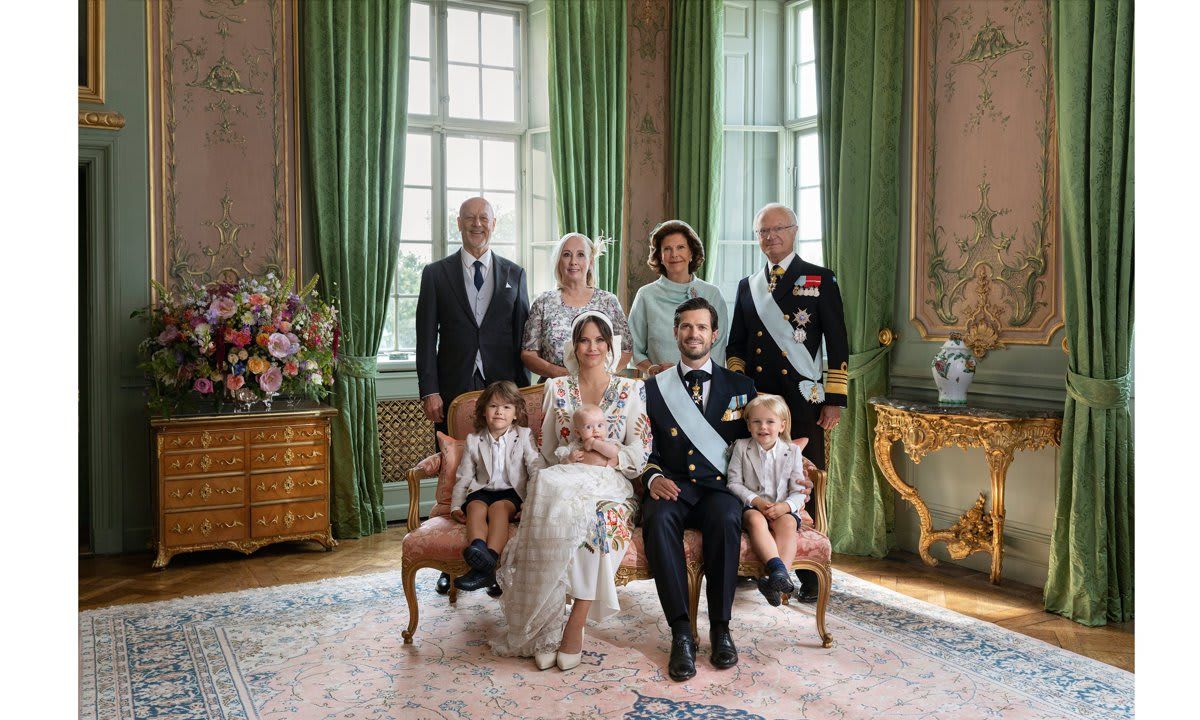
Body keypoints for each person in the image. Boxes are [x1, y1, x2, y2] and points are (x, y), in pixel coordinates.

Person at [492, 311, 650, 672]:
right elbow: (547, 451)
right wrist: (572, 461)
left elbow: (641, 452)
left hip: (612, 489)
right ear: (573, 346)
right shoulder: (557, 388)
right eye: (584, 340)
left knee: (598, 522)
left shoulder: (631, 389)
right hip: (566, 481)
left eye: (599, 340)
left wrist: (606, 461)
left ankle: (574, 626)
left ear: (610, 345)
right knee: (557, 514)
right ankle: (543, 626)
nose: (591, 347)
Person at [726, 202, 848, 602]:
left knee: (805, 478)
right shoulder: (748, 285)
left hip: (802, 398)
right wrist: (742, 392)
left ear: (794, 231)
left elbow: (838, 344)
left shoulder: (819, 279)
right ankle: (758, 564)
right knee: (755, 474)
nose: (771, 237)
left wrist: (834, 399)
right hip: (759, 401)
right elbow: (736, 346)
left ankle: (809, 574)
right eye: (763, 231)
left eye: (778, 229)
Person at [417, 196, 531, 596]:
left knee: (502, 476)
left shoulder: (515, 274)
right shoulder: (435, 274)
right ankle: (456, 562)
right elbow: (425, 336)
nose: (477, 225)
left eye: (483, 218)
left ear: (494, 224)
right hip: (452, 389)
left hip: (502, 390)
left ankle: (493, 564)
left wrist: (524, 399)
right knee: (455, 473)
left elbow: (521, 339)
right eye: (469, 219)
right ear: (459, 224)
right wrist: (430, 388)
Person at [639, 297, 757, 682]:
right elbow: (642, 447)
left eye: (701, 327)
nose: (694, 334)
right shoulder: (653, 389)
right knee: (657, 519)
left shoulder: (742, 387)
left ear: (715, 334)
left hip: (718, 489)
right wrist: (653, 477)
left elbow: (756, 445)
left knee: (726, 517)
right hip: (670, 486)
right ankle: (681, 633)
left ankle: (721, 629)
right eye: (686, 327)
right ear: (676, 333)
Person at [449, 381, 544, 592]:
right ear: (483, 411)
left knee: (498, 509)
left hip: (510, 494)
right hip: (482, 490)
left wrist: (528, 505)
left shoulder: (524, 435)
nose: (499, 412)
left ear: (516, 413)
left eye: (506, 407)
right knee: (475, 507)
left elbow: (536, 470)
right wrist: (455, 506)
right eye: (493, 406)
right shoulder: (474, 440)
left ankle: (486, 562)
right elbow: (464, 476)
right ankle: (480, 552)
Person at [725, 394, 810, 607]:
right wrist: (756, 502)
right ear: (748, 425)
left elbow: (799, 490)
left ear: (782, 425)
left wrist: (785, 506)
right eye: (757, 421)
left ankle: (777, 579)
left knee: (789, 523)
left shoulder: (792, 451)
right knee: (756, 521)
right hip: (753, 507)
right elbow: (733, 483)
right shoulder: (742, 447)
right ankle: (777, 570)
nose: (763, 427)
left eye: (770, 422)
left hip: (782, 508)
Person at [521, 233, 633, 378]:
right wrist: (562, 374)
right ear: (558, 261)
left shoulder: (608, 301)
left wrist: (600, 376)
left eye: (580, 255)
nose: (573, 261)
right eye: (566, 255)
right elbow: (528, 354)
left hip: (600, 390)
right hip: (555, 389)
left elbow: (626, 350)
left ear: (590, 261)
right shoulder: (543, 302)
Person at [629, 220, 728, 375]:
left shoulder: (713, 294)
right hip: (660, 386)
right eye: (667, 249)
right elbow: (633, 349)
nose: (674, 254)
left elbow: (719, 348)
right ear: (660, 257)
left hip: (703, 384)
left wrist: (694, 375)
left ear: (691, 253)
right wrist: (654, 370)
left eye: (680, 247)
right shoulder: (645, 295)